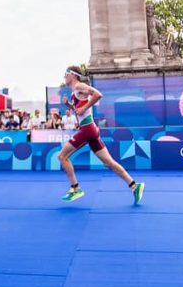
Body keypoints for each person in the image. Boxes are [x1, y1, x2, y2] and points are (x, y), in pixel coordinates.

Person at [57, 66, 144, 205]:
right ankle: (134, 185)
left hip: (87, 129)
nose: (64, 76)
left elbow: (98, 94)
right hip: (90, 129)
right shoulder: (76, 90)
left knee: (62, 156)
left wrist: (84, 107)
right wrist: (69, 105)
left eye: (66, 73)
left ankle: (75, 188)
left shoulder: (80, 86)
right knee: (108, 162)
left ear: (73, 75)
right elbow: (80, 111)